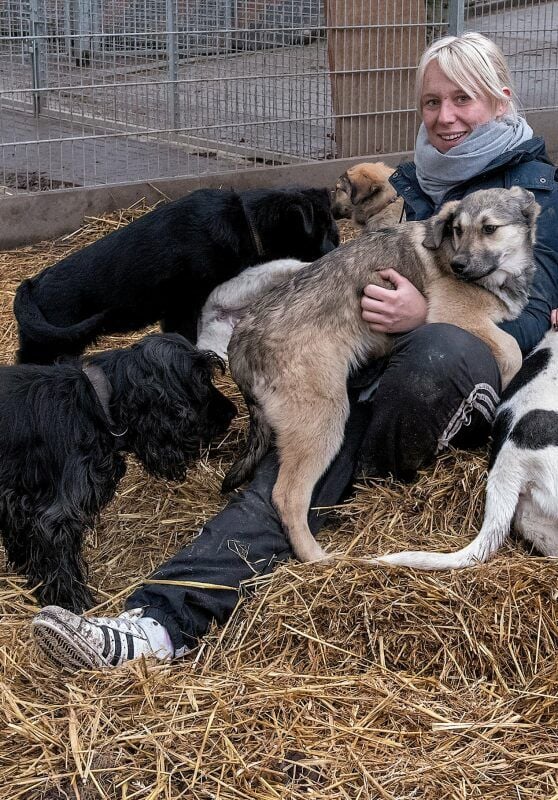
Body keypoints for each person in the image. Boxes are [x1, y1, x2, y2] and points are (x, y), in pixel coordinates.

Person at [32, 32, 558, 671]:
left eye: (463, 100)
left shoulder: (535, 197)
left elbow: (534, 320)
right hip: (369, 360)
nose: (444, 118)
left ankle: (342, 475)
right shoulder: (423, 178)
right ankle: (154, 625)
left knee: (415, 369)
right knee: (307, 448)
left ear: (501, 100)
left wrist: (423, 315)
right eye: (430, 103)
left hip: (463, 377)